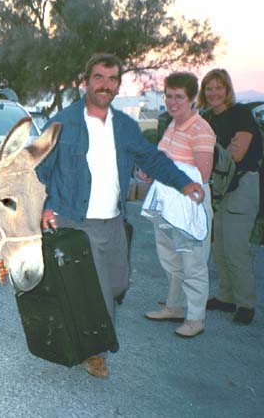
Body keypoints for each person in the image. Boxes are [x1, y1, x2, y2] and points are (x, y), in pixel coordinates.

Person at [35, 53, 204, 378]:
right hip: (75, 221)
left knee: (117, 283)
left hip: (113, 222)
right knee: (99, 292)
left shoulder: (124, 126)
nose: (106, 85)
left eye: (112, 79)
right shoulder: (61, 123)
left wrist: (184, 183)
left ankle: (76, 320)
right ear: (87, 82)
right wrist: (46, 205)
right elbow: (40, 169)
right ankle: (95, 353)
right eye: (99, 77)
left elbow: (151, 159)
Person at [143, 72, 215, 338]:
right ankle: (174, 307)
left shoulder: (201, 130)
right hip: (168, 204)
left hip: (190, 205)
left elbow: (202, 175)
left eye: (179, 97)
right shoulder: (172, 125)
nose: (173, 102)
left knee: (193, 261)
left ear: (192, 98)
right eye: (169, 96)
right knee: (170, 257)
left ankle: (196, 318)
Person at [199, 69, 263, 325]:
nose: (214, 93)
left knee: (236, 246)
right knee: (219, 245)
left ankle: (245, 303)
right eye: (209, 88)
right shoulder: (207, 119)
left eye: (218, 88)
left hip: (242, 185)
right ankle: (227, 297)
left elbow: (236, 154)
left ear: (227, 89)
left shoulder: (241, 115)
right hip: (218, 187)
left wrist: (211, 153)